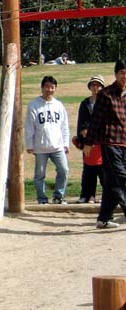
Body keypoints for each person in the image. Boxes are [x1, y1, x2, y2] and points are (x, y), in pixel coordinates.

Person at [86, 61, 126, 229]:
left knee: (111, 183)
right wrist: (88, 142)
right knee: (121, 178)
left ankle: (103, 219)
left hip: (124, 142)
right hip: (110, 142)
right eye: (122, 73)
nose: (125, 76)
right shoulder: (106, 94)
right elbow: (96, 119)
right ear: (116, 74)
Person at [25, 75, 70, 204]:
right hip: (40, 146)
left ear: (55, 88)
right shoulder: (34, 105)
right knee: (39, 174)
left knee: (64, 170)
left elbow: (64, 126)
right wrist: (29, 144)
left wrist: (66, 143)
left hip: (57, 146)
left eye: (52, 87)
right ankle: (42, 198)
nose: (49, 90)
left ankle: (58, 196)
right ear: (42, 87)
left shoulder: (59, 105)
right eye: (47, 87)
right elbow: (29, 126)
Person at [74, 75, 106, 203]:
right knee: (88, 170)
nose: (96, 87)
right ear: (90, 87)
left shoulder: (106, 103)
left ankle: (106, 195)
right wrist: (81, 138)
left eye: (98, 85)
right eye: (93, 85)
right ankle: (87, 195)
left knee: (104, 171)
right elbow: (81, 122)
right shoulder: (85, 103)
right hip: (88, 141)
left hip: (102, 141)